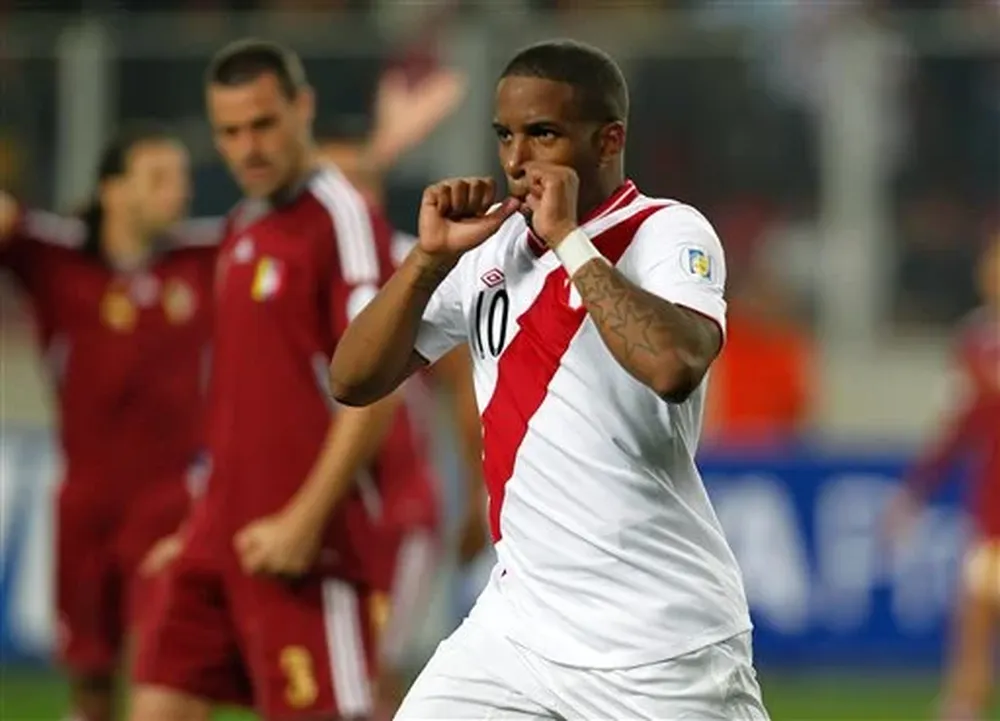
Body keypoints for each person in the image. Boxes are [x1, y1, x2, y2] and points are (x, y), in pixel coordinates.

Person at [330, 39, 769, 720]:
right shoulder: (490, 248)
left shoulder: (666, 231)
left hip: (658, 641)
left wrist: (568, 239)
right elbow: (352, 378)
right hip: (517, 630)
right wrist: (427, 260)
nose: (516, 159)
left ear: (608, 140)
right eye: (505, 135)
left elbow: (674, 365)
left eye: (542, 134)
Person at [129, 39, 431, 721]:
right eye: (230, 131)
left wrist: (303, 519)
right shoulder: (242, 225)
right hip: (218, 537)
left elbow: (379, 381)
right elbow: (239, 399)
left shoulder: (342, 218)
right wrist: (200, 520)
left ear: (303, 109)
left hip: (306, 545)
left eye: (263, 124)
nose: (249, 147)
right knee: (154, 705)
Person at [0, 125, 216, 721]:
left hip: (170, 507)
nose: (178, 192)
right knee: (91, 684)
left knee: (164, 678)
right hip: (84, 506)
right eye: (158, 178)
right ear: (112, 191)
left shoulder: (201, 258)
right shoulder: (56, 259)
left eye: (180, 178)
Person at [320, 122, 488, 717]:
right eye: (332, 186)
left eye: (359, 183)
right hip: (315, 509)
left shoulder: (410, 266)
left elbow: (462, 385)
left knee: (372, 679)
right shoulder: (289, 262)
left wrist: (477, 495)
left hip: (394, 511)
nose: (348, 199)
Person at [885, 236, 1000, 721]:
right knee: (976, 610)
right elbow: (956, 430)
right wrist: (914, 493)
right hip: (992, 508)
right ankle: (965, 702)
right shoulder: (974, 342)